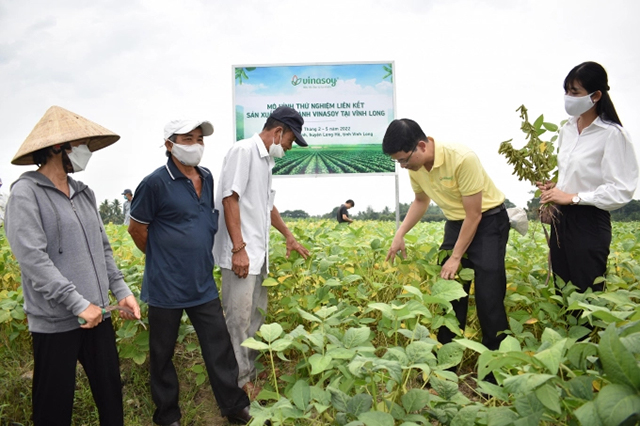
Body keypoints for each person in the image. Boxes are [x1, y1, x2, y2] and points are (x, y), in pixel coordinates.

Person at [4, 105, 141, 426]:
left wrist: (120, 290)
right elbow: (33, 260)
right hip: (56, 321)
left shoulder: (84, 193)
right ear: (57, 148)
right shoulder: (26, 194)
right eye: (80, 146)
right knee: (53, 407)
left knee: (111, 398)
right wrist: (78, 304)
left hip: (99, 314)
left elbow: (103, 248)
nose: (86, 152)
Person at [128, 119, 252, 426]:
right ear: (170, 144)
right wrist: (162, 259)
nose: (196, 144)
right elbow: (136, 229)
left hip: (202, 283)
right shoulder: (154, 183)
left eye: (200, 139)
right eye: (188, 138)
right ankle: (167, 416)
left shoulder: (206, 177)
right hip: (165, 286)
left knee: (219, 348)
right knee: (162, 354)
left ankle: (235, 408)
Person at [383, 118, 510, 353]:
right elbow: (421, 201)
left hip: (488, 221)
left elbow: (473, 215)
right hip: (455, 223)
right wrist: (400, 233)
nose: (402, 166)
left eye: (403, 159)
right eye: (397, 161)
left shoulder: (462, 158)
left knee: (488, 295)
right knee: (448, 293)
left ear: (421, 146)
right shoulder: (416, 167)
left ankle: (495, 370)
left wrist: (456, 256)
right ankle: (446, 364)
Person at [214, 106, 310, 397]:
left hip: (257, 254)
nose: (290, 147)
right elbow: (230, 199)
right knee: (239, 320)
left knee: (255, 317)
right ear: (278, 132)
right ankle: (240, 383)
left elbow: (267, 206)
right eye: (291, 140)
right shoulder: (243, 152)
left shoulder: (266, 161)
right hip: (240, 255)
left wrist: (289, 236)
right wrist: (238, 249)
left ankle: (249, 372)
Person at [538, 62, 638, 294]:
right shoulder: (568, 129)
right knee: (562, 290)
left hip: (589, 222)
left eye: (575, 92)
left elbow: (621, 190)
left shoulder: (612, 134)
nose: (568, 97)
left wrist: (572, 197)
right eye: (566, 91)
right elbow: (573, 176)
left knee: (586, 294)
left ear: (596, 96)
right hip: (561, 220)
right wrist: (555, 189)